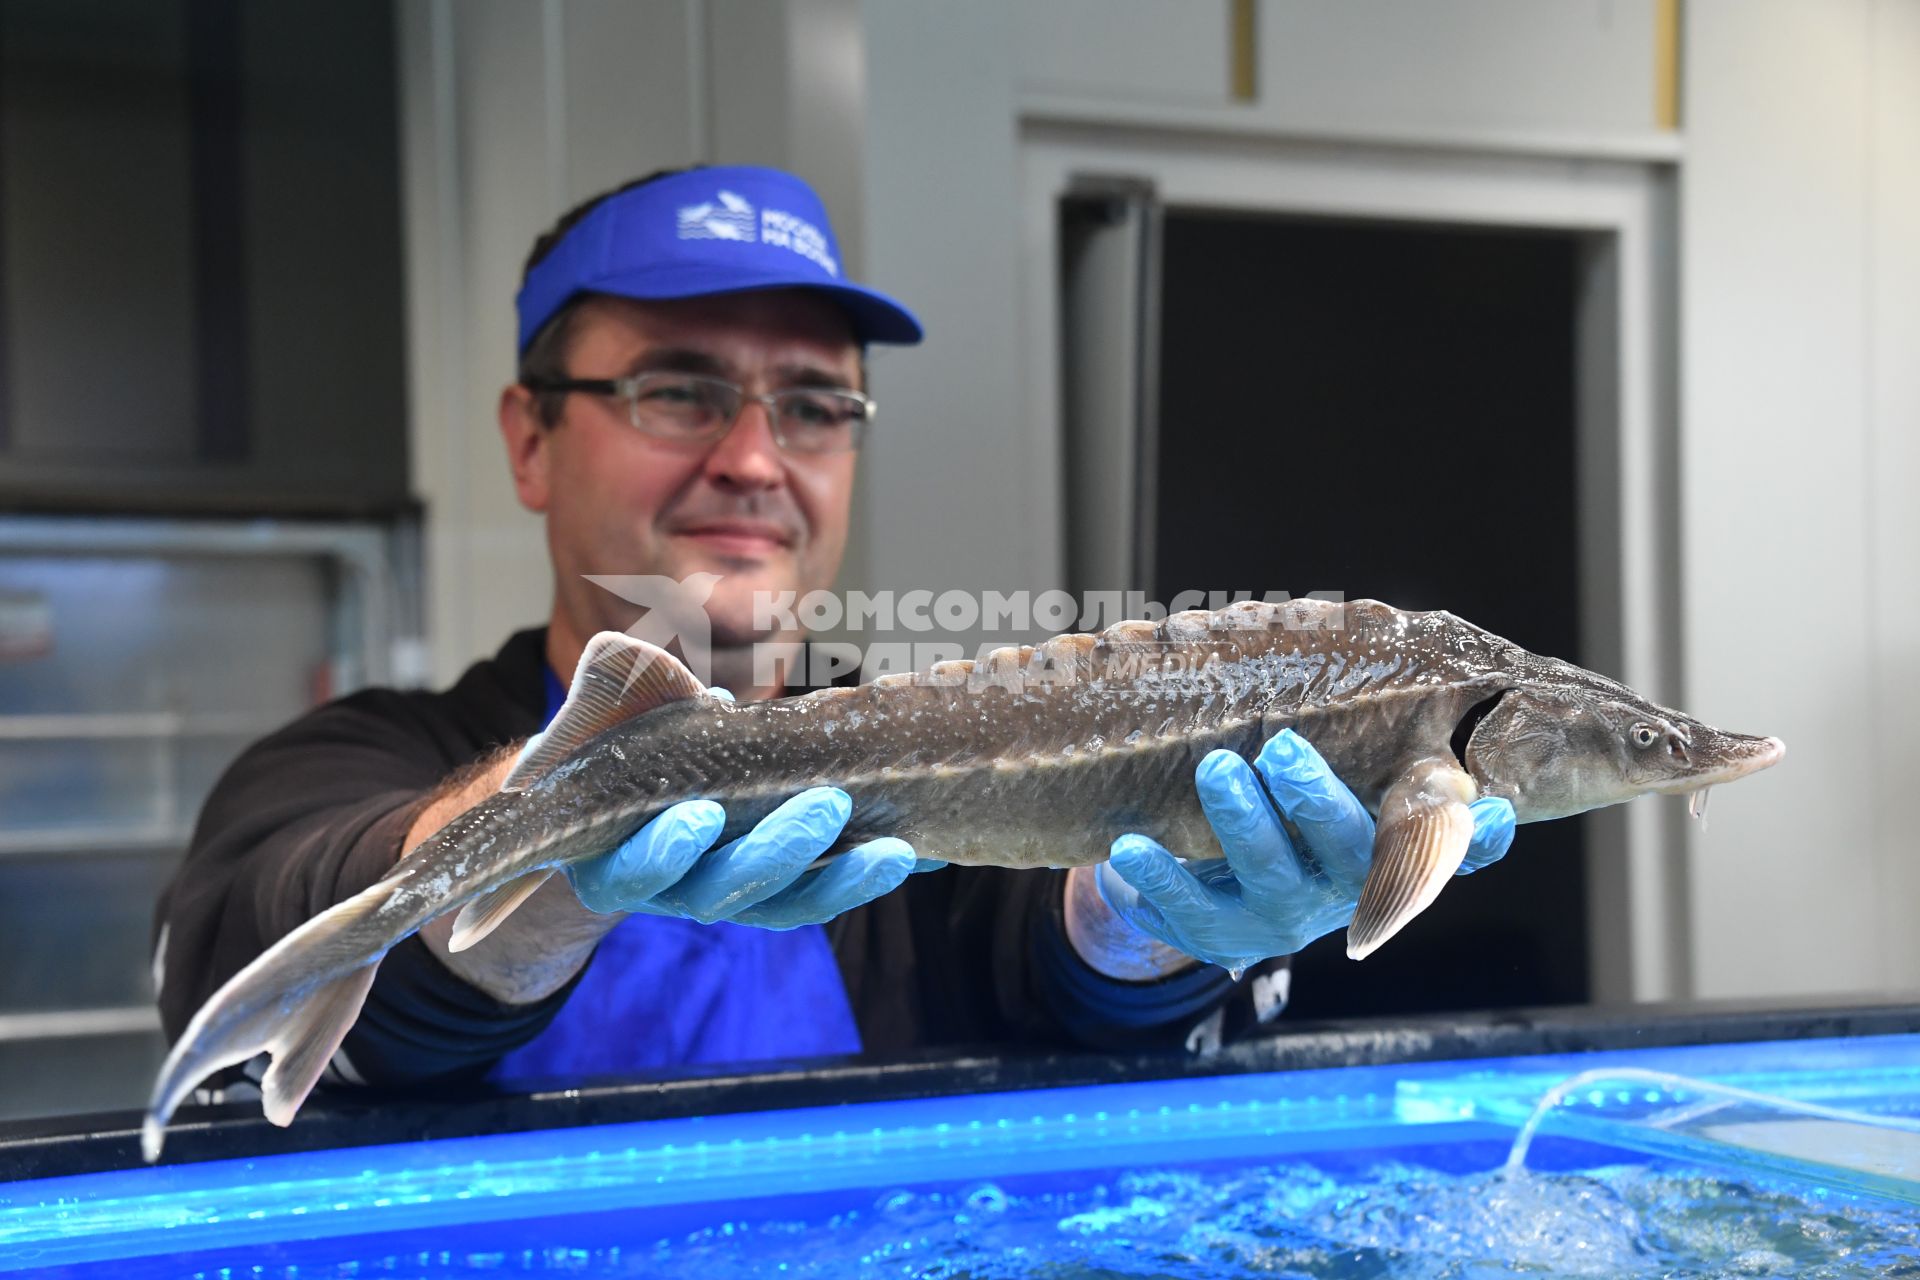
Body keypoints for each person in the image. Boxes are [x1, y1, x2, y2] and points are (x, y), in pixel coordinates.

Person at [152, 165, 1515, 1098]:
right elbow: (264, 924)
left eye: (812, 406)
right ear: (531, 438)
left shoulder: (946, 743)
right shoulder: (347, 758)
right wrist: (556, 840)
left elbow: (1056, 992)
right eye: (680, 390)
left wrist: (1153, 919)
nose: (756, 458)